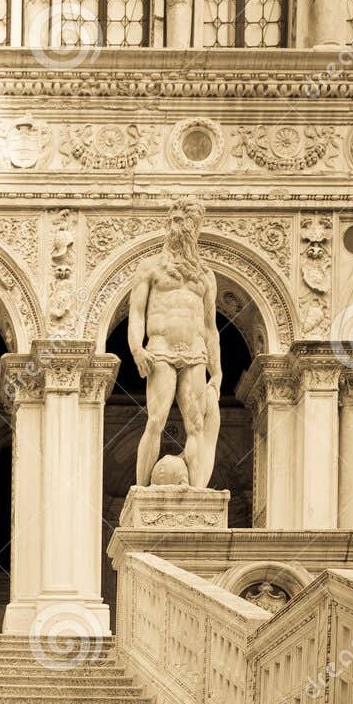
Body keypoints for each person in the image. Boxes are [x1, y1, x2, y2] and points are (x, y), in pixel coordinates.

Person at [127, 198, 222, 489]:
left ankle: (195, 490)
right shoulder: (150, 267)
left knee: (196, 426)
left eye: (183, 222)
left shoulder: (206, 275)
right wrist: (136, 348)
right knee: (156, 420)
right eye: (173, 221)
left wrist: (217, 372)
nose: (176, 227)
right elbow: (136, 313)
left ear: (195, 228)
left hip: (195, 353)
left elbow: (210, 327)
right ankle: (141, 491)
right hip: (161, 351)